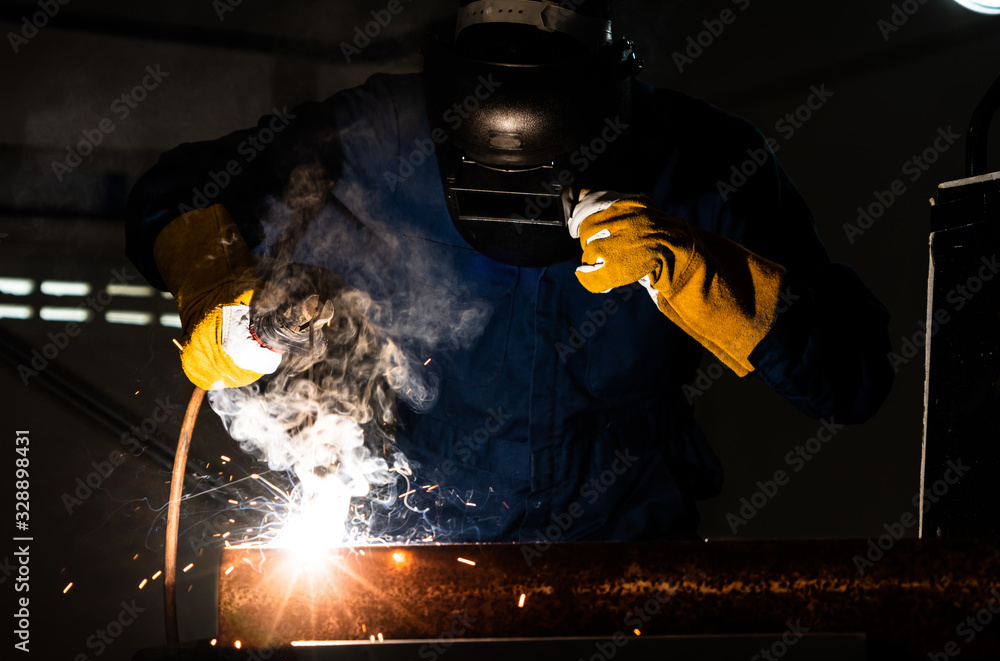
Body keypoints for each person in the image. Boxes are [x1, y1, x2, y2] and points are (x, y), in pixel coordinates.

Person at [125, 0, 893, 543]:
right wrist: (217, 292)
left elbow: (853, 375)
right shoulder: (378, 133)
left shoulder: (701, 160)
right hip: (406, 562)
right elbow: (173, 193)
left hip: (620, 573)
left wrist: (699, 271)